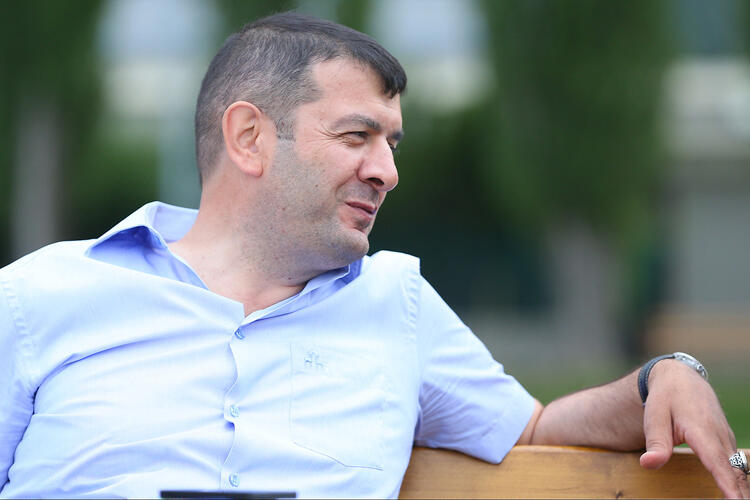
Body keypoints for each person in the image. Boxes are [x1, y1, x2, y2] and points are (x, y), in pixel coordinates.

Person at [0, 11, 747, 499]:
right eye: (357, 136)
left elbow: (534, 431)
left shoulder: (399, 304)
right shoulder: (39, 296)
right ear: (249, 138)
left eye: (392, 144)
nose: (388, 171)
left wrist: (662, 376)